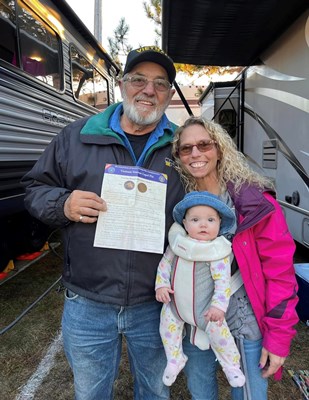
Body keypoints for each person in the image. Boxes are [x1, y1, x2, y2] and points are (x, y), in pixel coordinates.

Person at [21, 46, 185, 400]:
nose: (148, 90)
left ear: (169, 94)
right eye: (139, 80)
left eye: (160, 84)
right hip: (88, 300)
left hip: (155, 301)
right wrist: (63, 203)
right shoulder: (75, 136)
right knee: (91, 392)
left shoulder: (183, 147)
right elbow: (35, 188)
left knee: (155, 392)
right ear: (123, 85)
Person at [171, 116, 299, 400]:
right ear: (178, 157)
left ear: (219, 149)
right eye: (186, 148)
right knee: (200, 389)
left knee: (249, 392)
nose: (195, 154)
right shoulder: (178, 202)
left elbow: (280, 273)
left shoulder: (253, 202)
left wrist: (278, 338)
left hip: (243, 313)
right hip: (197, 315)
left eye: (204, 144)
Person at [155, 191, 246, 388]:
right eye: (195, 219)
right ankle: (175, 358)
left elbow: (223, 284)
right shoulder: (178, 245)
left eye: (210, 220)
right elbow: (164, 265)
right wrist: (161, 285)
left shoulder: (217, 251)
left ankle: (231, 366)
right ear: (185, 224)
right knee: (167, 327)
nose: (203, 225)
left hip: (205, 311)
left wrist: (218, 307)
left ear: (220, 224)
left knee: (221, 335)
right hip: (176, 306)